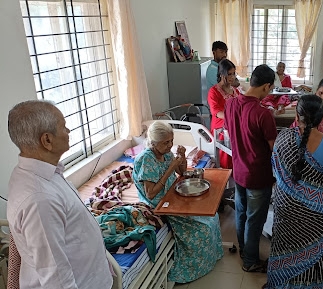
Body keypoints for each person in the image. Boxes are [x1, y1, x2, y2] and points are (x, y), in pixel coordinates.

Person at [7, 100, 113, 289]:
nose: (68, 131)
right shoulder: (40, 199)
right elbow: (55, 278)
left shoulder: (44, 173)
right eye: (63, 127)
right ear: (47, 140)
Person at [264, 95, 323, 289]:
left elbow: (276, 172)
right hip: (315, 217)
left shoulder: (283, 137)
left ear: (296, 114)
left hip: (286, 210)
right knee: (314, 255)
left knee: (284, 247)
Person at [132, 121, 223, 283]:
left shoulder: (166, 153)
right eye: (166, 142)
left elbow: (181, 173)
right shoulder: (146, 160)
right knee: (202, 228)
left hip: (172, 195)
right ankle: (187, 270)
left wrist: (181, 159)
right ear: (153, 143)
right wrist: (170, 168)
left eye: (171, 141)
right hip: (159, 204)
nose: (170, 145)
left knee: (212, 217)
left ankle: (211, 257)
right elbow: (151, 194)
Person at [224, 64, 278, 273]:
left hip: (238, 171)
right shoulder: (263, 114)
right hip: (257, 175)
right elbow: (274, 149)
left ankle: (245, 251)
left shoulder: (230, 104)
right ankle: (250, 261)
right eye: (271, 89)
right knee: (255, 220)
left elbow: (234, 133)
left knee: (241, 213)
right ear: (266, 86)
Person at [208, 58, 239, 168]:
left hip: (234, 124)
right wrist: (234, 117)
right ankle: (227, 172)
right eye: (229, 74)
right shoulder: (214, 91)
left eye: (233, 74)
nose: (232, 77)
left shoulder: (235, 90)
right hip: (220, 127)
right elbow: (216, 112)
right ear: (221, 74)